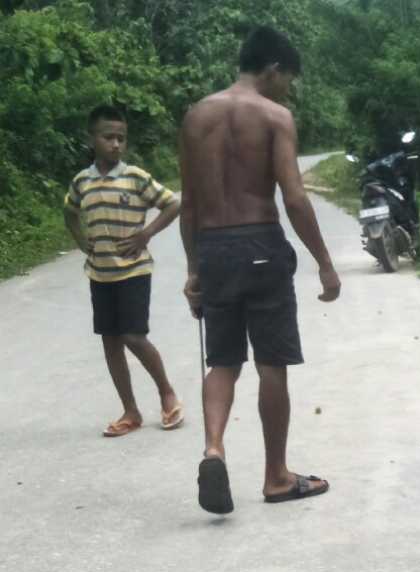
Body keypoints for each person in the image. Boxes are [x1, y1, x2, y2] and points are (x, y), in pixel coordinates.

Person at [180, 26, 342, 515]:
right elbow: (293, 196)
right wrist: (325, 264)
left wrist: (194, 271)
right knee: (273, 363)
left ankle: (213, 449)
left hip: (213, 247)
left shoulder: (196, 116)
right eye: (288, 78)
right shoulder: (274, 116)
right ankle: (276, 476)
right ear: (273, 69)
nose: (288, 88)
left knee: (223, 360)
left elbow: (189, 205)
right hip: (261, 246)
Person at [63, 105, 184, 438]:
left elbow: (173, 203)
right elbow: (69, 212)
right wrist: (81, 240)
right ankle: (130, 411)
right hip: (100, 274)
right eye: (108, 137)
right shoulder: (81, 181)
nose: (116, 144)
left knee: (133, 336)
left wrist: (146, 234)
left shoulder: (135, 177)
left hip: (134, 270)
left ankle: (166, 393)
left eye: (121, 138)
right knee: (111, 341)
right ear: (92, 139)